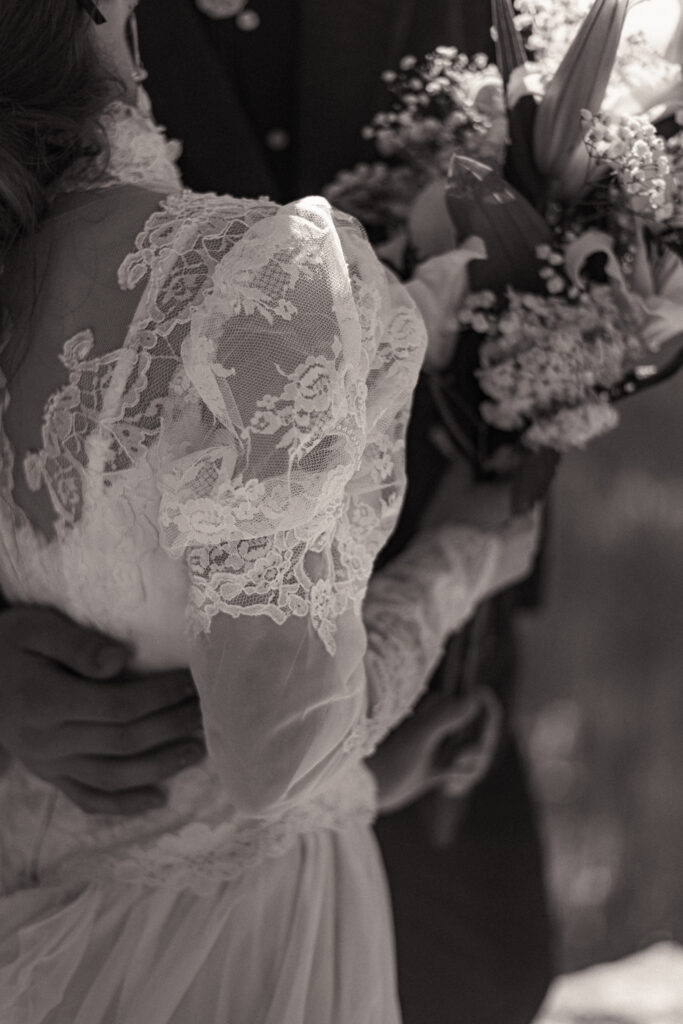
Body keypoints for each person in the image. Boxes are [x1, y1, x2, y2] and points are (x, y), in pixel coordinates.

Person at [0, 1, 554, 1020]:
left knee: (497, 971)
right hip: (253, 890)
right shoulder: (276, 260)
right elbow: (278, 762)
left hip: (85, 906)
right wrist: (459, 562)